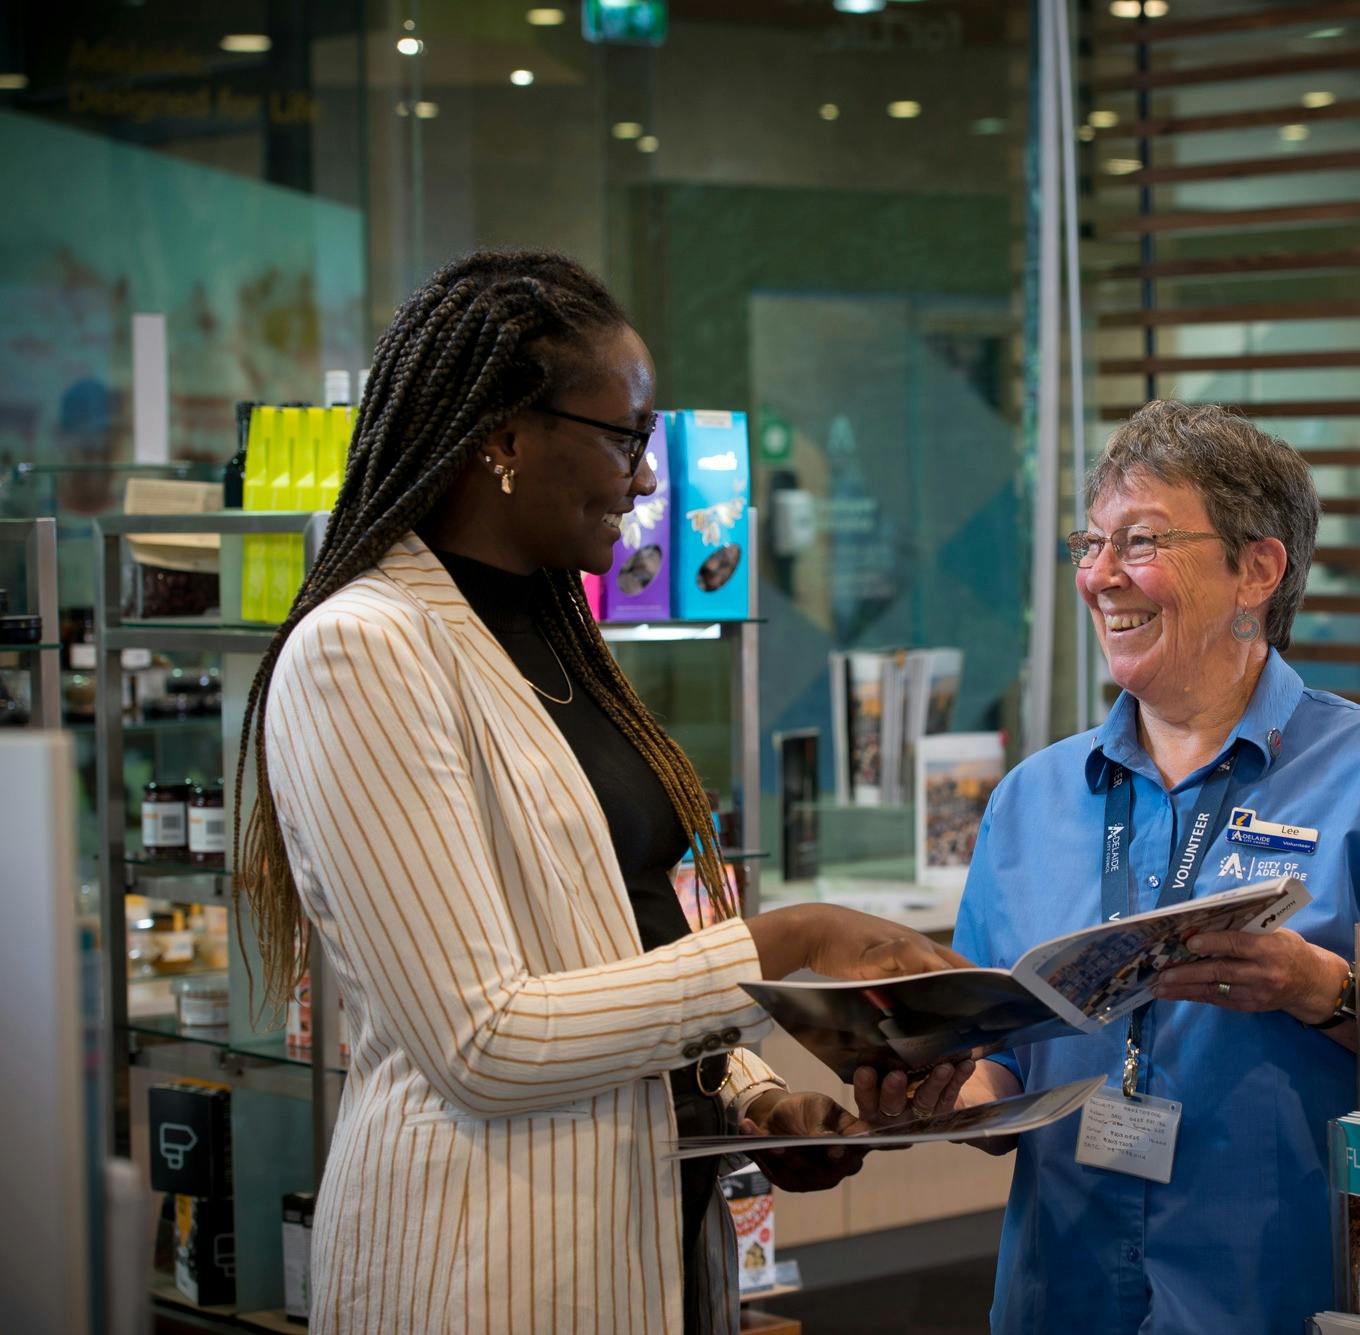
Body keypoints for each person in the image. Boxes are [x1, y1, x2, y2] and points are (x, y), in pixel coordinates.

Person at [233, 251, 971, 1333]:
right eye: (626, 437)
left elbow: (615, 944)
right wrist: (791, 939)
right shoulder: (365, 650)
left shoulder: (553, 636)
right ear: (502, 434)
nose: (645, 479)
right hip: (480, 1267)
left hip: (648, 1243)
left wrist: (748, 1099)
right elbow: (484, 1041)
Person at [947, 400, 1360, 1331]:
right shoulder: (1030, 800)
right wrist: (941, 1086)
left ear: (1257, 570)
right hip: (1060, 1297)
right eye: (1091, 542)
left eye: (1141, 540)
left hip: (1277, 1299)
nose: (1101, 576)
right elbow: (993, 1051)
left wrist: (1325, 990)